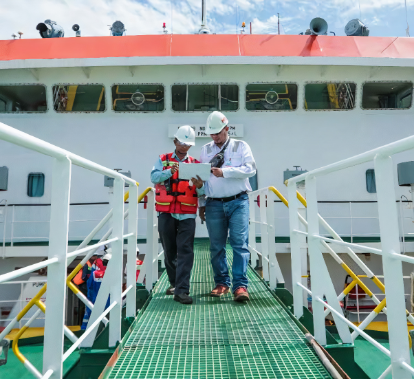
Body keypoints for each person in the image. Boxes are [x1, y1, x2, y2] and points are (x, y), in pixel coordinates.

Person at [196, 111, 256, 302]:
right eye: (212, 134)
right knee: (216, 246)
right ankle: (221, 283)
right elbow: (202, 179)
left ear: (226, 129)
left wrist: (225, 172)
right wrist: (201, 202)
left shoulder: (241, 146)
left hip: (238, 202)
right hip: (213, 203)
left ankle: (240, 286)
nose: (215, 137)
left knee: (239, 244)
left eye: (218, 133)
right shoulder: (205, 150)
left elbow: (250, 169)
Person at [150, 125, 204, 305]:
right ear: (175, 142)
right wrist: (169, 172)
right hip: (166, 212)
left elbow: (203, 190)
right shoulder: (163, 159)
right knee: (169, 250)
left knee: (186, 251)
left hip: (187, 213)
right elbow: (154, 177)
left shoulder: (196, 164)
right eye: (182, 143)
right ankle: (174, 283)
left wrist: (199, 185)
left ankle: (182, 290)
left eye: (188, 144)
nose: (184, 147)